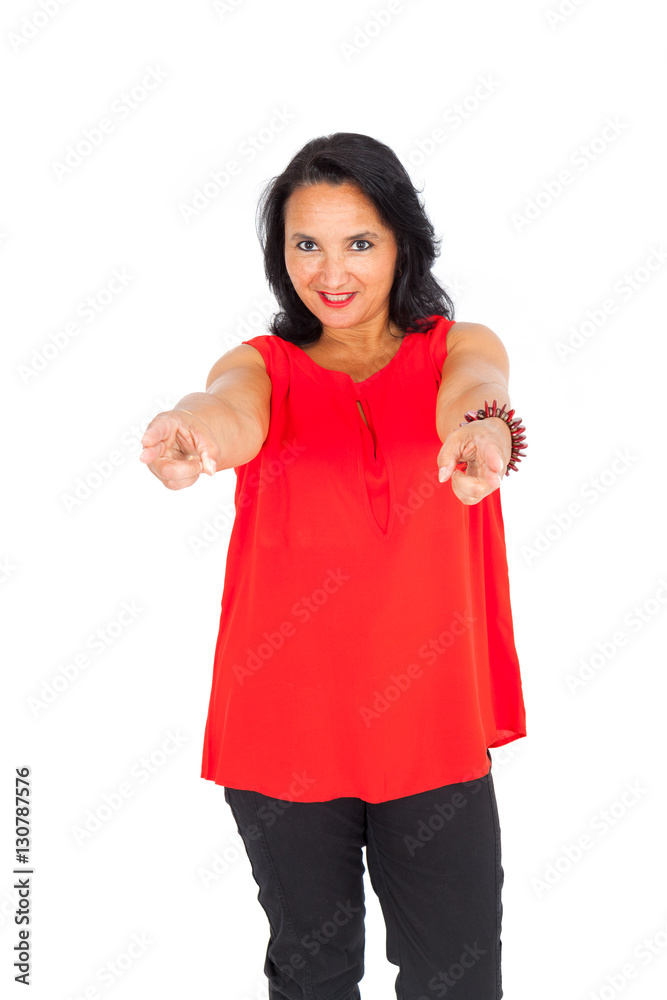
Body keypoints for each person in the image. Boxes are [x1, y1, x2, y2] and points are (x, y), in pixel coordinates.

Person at [140, 132, 528, 1000]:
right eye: (305, 245)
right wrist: (195, 431)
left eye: (358, 242)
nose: (331, 271)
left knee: (458, 979)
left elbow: (478, 388)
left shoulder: (453, 348)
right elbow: (228, 408)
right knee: (313, 977)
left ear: (401, 242)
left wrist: (484, 431)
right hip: (284, 734)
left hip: (429, 729)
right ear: (280, 257)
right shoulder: (263, 366)